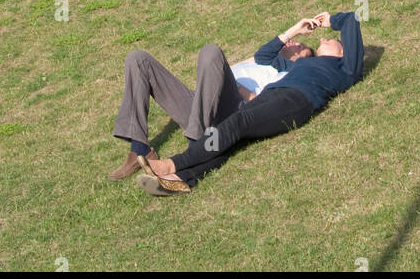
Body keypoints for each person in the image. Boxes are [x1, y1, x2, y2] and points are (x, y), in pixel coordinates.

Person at [139, 9, 364, 194]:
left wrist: (330, 21)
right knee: (235, 135)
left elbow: (352, 19)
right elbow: (264, 57)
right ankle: (182, 179)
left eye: (332, 40)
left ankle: (172, 164)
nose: (324, 38)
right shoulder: (300, 65)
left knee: (239, 123)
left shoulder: (344, 69)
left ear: (344, 52)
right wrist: (294, 30)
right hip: (273, 94)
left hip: (296, 100)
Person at [108, 15, 321, 181]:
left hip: (230, 112)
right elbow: (271, 47)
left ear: (303, 60)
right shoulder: (263, 59)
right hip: (203, 101)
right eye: (294, 42)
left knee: (211, 52)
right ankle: (140, 150)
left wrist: (235, 87)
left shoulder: (287, 74)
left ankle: (195, 148)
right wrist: (296, 29)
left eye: (301, 47)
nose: (294, 44)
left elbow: (261, 103)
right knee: (138, 59)